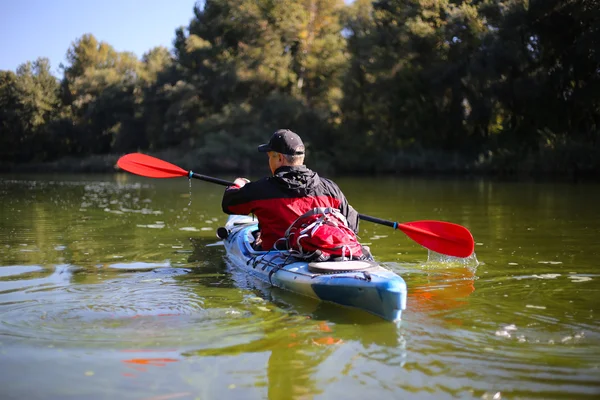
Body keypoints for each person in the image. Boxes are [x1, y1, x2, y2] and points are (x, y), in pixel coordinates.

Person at [222, 129, 359, 251]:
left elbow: (229, 205)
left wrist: (238, 185)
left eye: (270, 156)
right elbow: (353, 222)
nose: (269, 161)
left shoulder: (261, 190)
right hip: (324, 253)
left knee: (257, 238)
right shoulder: (330, 188)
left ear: (280, 158)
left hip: (278, 255)